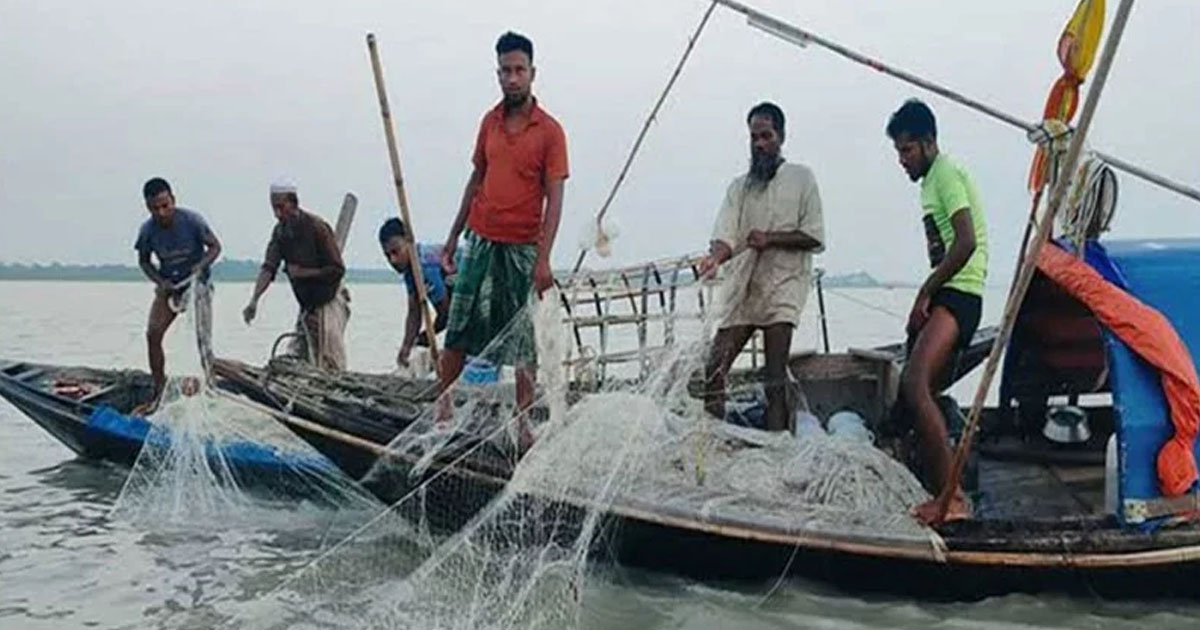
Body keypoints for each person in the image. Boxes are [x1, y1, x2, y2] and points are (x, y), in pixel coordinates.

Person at [437, 31, 569, 450]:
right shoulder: (489, 122)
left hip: (522, 246)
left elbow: (555, 199)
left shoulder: (550, 131)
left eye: (519, 71)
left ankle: (523, 420)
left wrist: (543, 260)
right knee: (458, 325)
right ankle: (443, 403)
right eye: (505, 71)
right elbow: (476, 177)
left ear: (533, 74)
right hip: (481, 239)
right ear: (497, 74)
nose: (512, 79)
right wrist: (454, 234)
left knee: (523, 338)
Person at [885, 99, 988, 524]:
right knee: (908, 400)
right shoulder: (929, 183)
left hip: (960, 293)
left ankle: (953, 498)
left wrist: (924, 293)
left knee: (915, 383)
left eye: (907, 150)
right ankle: (935, 480)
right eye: (898, 153)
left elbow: (965, 243)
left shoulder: (945, 172)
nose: (902, 161)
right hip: (948, 293)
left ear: (928, 143)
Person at [697, 102, 825, 433]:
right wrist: (714, 259)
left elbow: (813, 236)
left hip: (783, 287)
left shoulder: (801, 178)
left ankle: (778, 444)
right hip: (744, 289)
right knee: (714, 368)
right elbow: (724, 236)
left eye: (766, 136)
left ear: (781, 136)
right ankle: (715, 438)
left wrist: (771, 238)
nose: (759, 144)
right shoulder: (740, 187)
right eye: (753, 137)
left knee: (774, 377)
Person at [134, 177, 222, 412]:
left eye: (165, 205)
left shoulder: (192, 221)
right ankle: (159, 389)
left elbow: (215, 247)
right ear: (148, 207)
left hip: (196, 285)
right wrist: (159, 281)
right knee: (153, 334)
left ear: (173, 200)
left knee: (203, 341)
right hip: (170, 286)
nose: (162, 212)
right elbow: (144, 261)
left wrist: (201, 265)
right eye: (155, 208)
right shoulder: (147, 230)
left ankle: (212, 386)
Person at [242, 182, 350, 371]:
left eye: (281, 208)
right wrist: (254, 300)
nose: (277, 214)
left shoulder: (316, 227)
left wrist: (304, 273)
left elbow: (337, 269)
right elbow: (268, 268)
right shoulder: (280, 232)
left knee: (330, 359)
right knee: (299, 354)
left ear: (294, 204)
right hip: (307, 306)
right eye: (274, 209)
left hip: (330, 299)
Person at [378, 217, 455, 369]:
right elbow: (414, 312)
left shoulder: (425, 267)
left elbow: (446, 315)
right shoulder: (410, 272)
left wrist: (421, 340)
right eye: (387, 256)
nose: (393, 260)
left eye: (396, 252)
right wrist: (406, 347)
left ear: (408, 242)